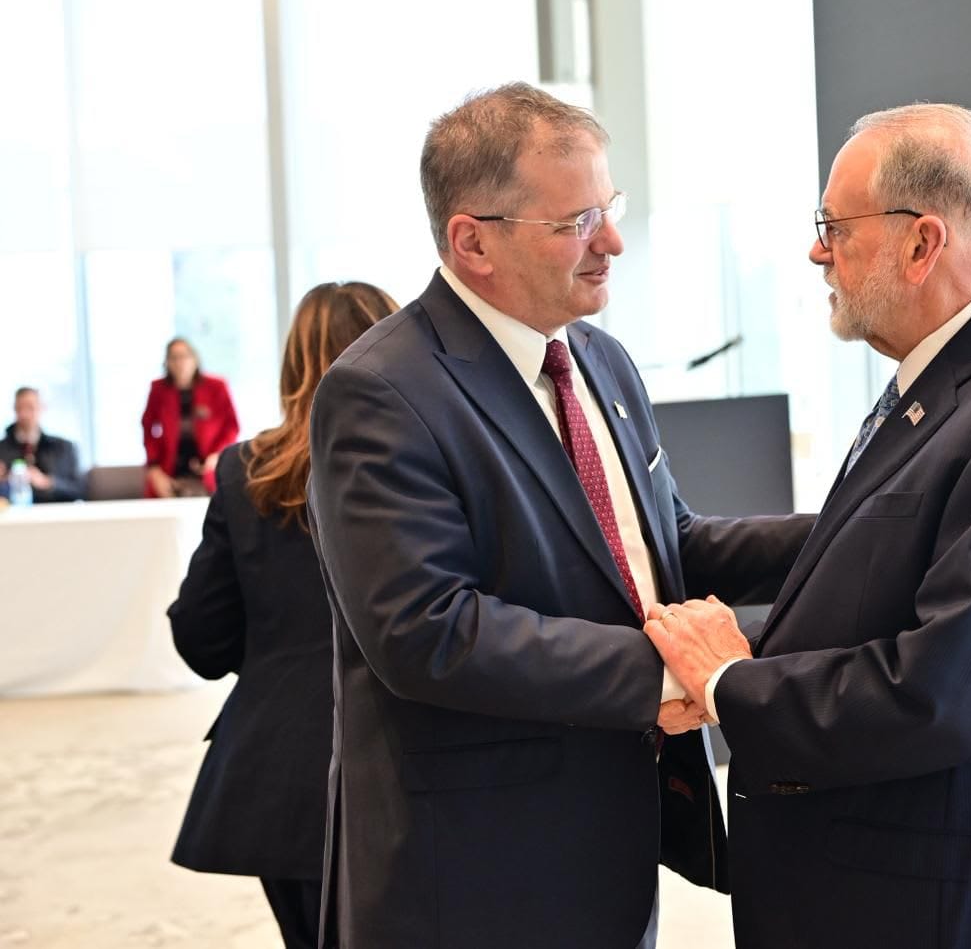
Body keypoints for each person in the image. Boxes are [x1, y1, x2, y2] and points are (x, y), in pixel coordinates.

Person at [646, 103, 971, 948]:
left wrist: (727, 684)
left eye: (833, 227)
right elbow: (870, 541)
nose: (818, 251)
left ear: (922, 243)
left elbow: (941, 696)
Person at [306, 83, 809, 949]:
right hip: (472, 863)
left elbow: (665, 549)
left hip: (610, 831)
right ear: (473, 242)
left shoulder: (598, 360)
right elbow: (427, 630)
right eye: (577, 222)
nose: (613, 241)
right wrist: (668, 671)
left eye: (607, 208)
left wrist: (847, 530)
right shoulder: (382, 393)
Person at [166, 282, 399, 949]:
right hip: (419, 756)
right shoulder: (433, 458)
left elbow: (203, 640)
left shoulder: (246, 472)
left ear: (293, 364)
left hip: (283, 771)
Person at [142, 337, 239, 497]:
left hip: (207, 466)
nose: (180, 362)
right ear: (167, 362)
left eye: (185, 356)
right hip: (169, 470)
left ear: (195, 359)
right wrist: (154, 469)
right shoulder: (159, 389)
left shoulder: (216, 386)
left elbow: (232, 426)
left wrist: (217, 455)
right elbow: (147, 427)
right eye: (174, 357)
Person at [1, 387, 84, 502]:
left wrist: (48, 483)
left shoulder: (64, 448)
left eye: (30, 407)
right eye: (19, 408)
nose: (24, 414)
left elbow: (80, 490)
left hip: (55, 514)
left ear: (42, 408)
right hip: (13, 516)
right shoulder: (2, 450)